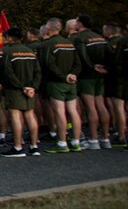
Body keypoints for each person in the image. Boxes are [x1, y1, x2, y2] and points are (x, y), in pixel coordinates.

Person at [41, 18, 83, 153]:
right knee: (73, 111)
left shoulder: (49, 44)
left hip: (57, 82)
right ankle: (76, 141)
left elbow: (49, 64)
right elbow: (78, 63)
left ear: (49, 29)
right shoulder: (69, 43)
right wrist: (73, 75)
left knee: (59, 112)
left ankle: (62, 142)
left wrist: (63, 76)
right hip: (71, 82)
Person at [0, 27, 42, 157]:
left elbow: (8, 72)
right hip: (30, 89)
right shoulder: (30, 51)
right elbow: (38, 71)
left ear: (10, 38)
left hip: (15, 90)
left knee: (15, 117)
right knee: (30, 116)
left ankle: (18, 147)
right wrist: (32, 87)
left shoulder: (8, 51)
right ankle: (34, 146)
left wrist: (21, 87)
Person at [74, 15, 111, 149]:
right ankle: (106, 138)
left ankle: (94, 138)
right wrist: (105, 67)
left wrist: (91, 66)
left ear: (80, 24)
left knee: (90, 107)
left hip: (86, 76)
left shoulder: (79, 38)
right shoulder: (100, 38)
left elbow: (82, 55)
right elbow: (109, 54)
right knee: (100, 105)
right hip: (100, 75)